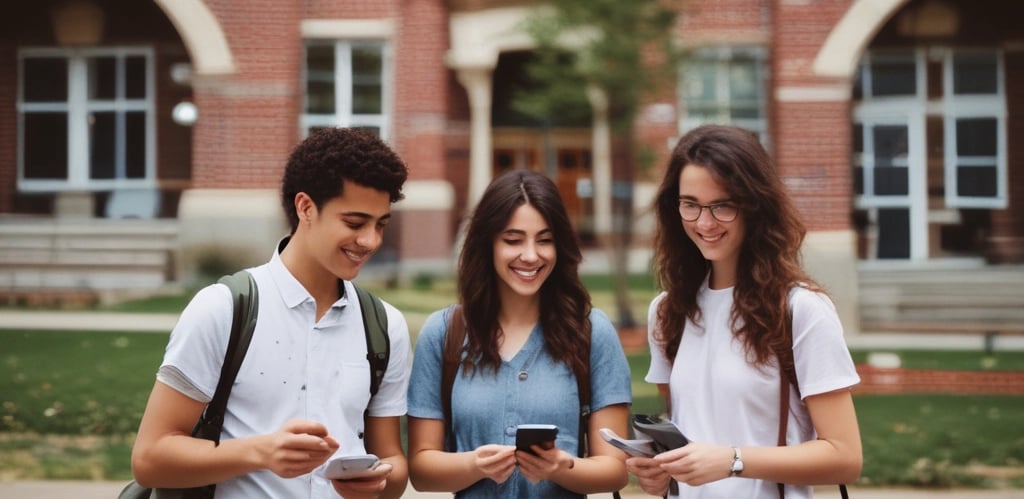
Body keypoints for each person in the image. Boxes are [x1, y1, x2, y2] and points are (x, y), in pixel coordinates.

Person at [130, 128, 412, 499]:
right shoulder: (223, 309)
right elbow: (150, 458)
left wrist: (378, 482)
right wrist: (260, 453)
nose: (371, 241)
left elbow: (392, 459)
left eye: (381, 225)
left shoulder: (385, 325)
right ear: (306, 207)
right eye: (355, 224)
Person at [626, 125, 862, 498]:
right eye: (690, 204)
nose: (704, 223)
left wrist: (734, 460)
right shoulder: (667, 312)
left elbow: (845, 456)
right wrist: (661, 471)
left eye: (722, 205)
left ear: (755, 206)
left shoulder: (801, 309)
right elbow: (689, 437)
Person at [406, 169, 633, 498]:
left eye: (544, 240)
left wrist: (561, 467)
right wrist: (474, 465)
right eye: (513, 240)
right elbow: (422, 471)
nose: (530, 255)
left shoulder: (592, 332)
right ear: (488, 244)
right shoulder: (443, 333)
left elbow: (614, 469)